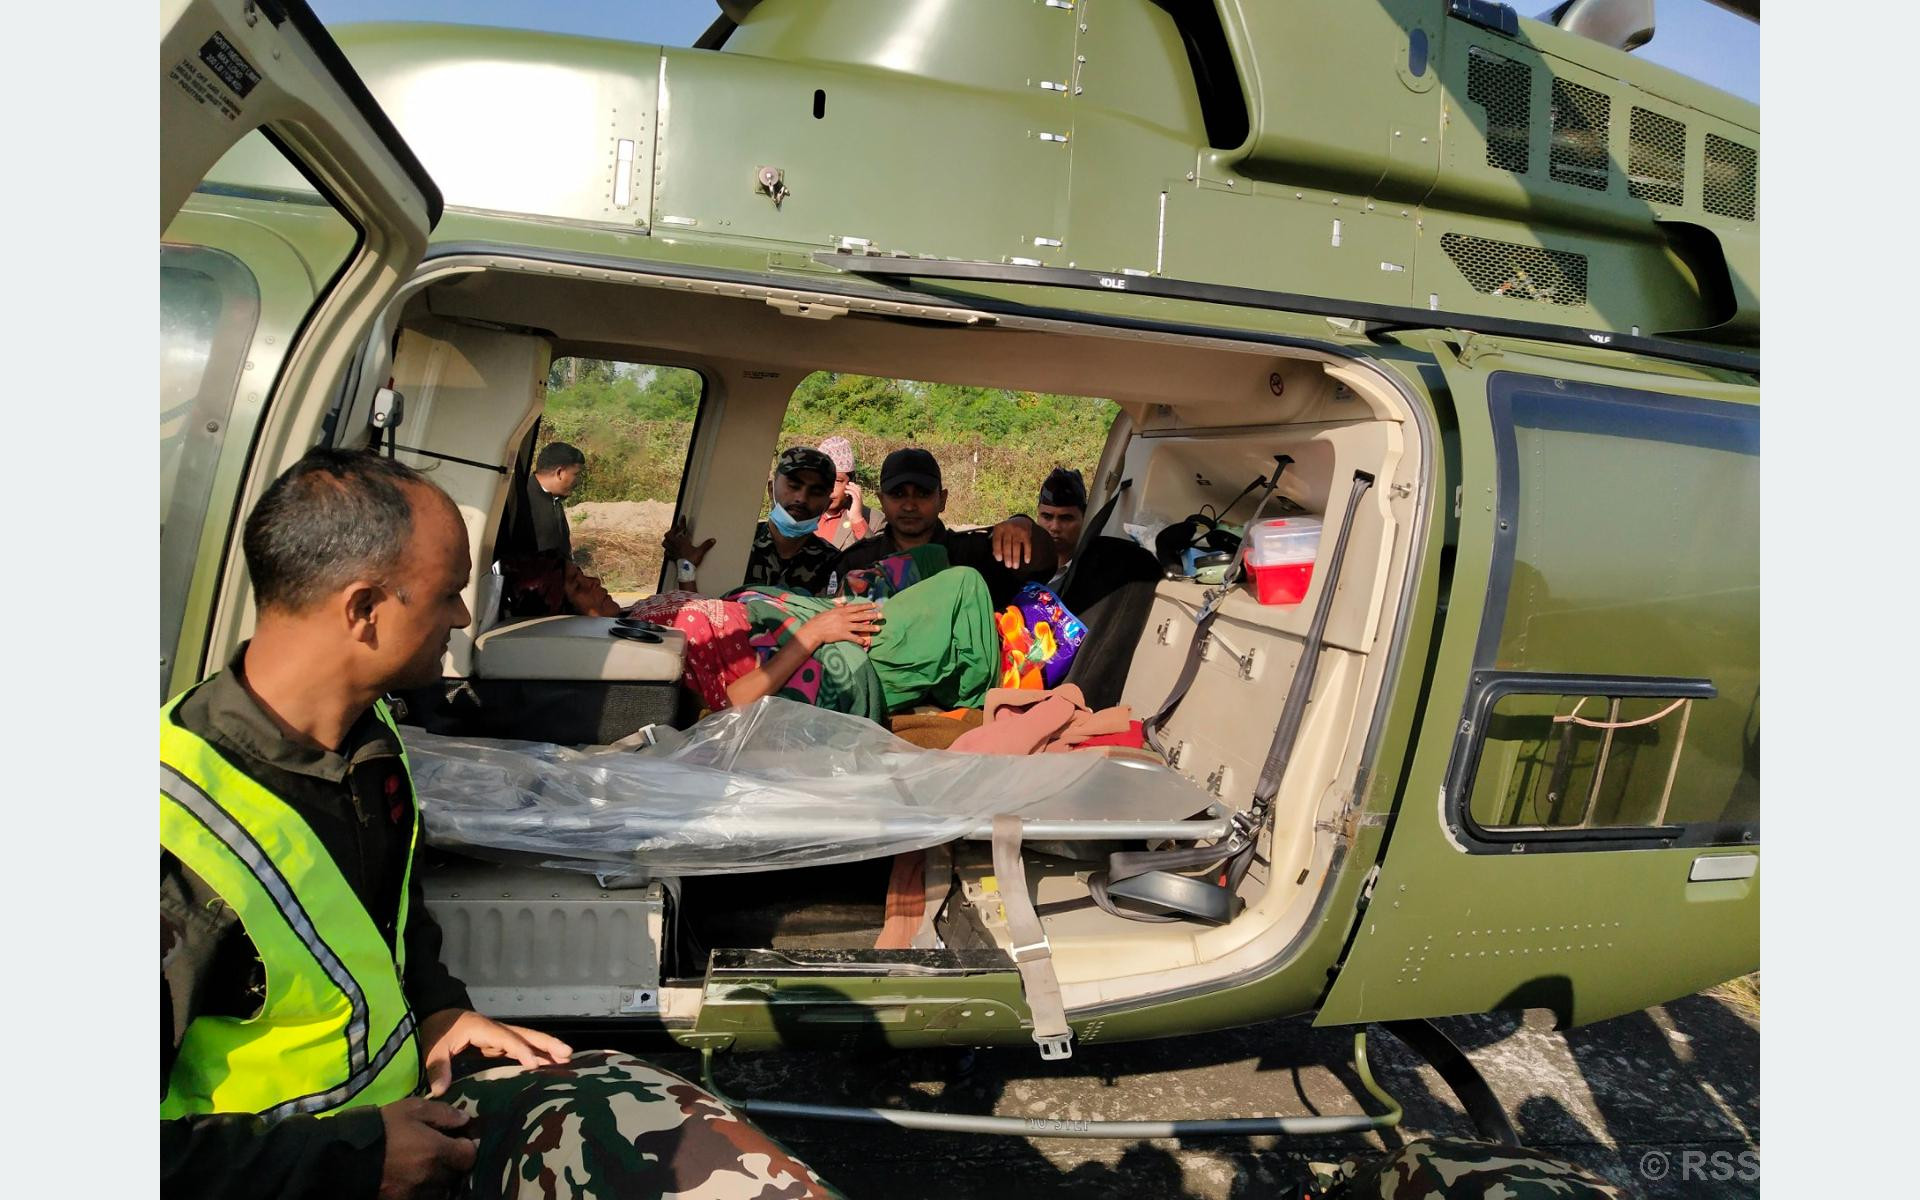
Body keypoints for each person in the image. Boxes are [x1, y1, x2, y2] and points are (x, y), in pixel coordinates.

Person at [162, 449, 837, 1200]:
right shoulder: (172, 830)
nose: (460, 618)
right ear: (363, 610)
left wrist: (440, 1008)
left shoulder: (366, 744)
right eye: (447, 594)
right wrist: (352, 1159)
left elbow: (384, 926)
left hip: (395, 1126)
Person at [836, 447, 1057, 608]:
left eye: (922, 494)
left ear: (942, 500)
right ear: (881, 501)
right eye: (898, 494)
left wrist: (1023, 524)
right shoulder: (857, 561)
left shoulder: (977, 553)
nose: (910, 505)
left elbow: (1043, 567)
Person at [663, 446, 840, 594]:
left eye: (816, 492)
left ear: (827, 504)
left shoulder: (835, 565)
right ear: (771, 489)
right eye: (794, 486)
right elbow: (704, 616)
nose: (801, 498)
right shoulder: (734, 544)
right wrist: (686, 566)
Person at [503, 441, 585, 561]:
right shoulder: (521, 502)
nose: (578, 481)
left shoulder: (553, 498)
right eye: (576, 474)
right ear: (559, 473)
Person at [814, 435, 872, 550]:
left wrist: (857, 521)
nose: (829, 489)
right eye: (823, 479)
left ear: (851, 483)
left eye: (837, 481)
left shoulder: (875, 520)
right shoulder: (802, 514)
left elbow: (878, 557)